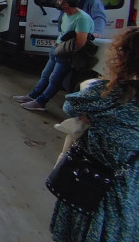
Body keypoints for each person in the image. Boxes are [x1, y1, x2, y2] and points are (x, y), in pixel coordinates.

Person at [48, 27, 139, 242]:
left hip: (90, 184)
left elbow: (71, 105)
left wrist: (90, 116)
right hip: (129, 193)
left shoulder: (110, 93)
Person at [13, 0, 94, 111]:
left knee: (55, 79)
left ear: (66, 4)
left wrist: (65, 52)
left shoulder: (82, 19)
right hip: (57, 49)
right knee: (46, 75)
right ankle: (32, 96)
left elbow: (80, 42)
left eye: (59, 0)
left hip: (66, 53)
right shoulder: (66, 14)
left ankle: (41, 102)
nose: (57, 2)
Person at [22, 0, 106, 37]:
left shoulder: (93, 1)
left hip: (81, 32)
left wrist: (97, 31)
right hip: (67, 32)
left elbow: (99, 16)